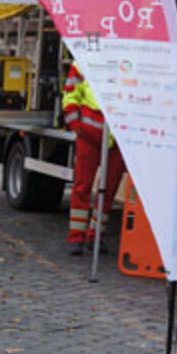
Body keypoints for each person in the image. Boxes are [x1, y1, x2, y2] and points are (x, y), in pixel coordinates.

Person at [62, 63, 125, 254]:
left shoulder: (132, 57)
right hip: (89, 134)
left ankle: (96, 235)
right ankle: (76, 237)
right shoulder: (83, 61)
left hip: (118, 137)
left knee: (109, 188)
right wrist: (76, 124)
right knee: (83, 185)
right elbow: (70, 94)